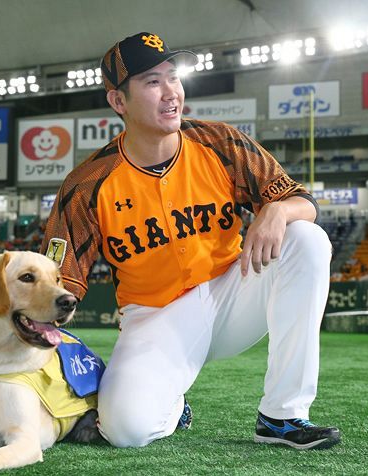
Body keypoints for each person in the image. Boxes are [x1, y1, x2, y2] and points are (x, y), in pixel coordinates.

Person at [41, 32, 340, 450]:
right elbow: (56, 282)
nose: (171, 93)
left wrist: (278, 210)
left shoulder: (218, 142)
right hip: (155, 317)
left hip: (235, 291)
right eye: (152, 82)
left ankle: (282, 415)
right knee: (126, 429)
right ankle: (170, 403)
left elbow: (302, 201)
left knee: (306, 239)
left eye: (174, 78)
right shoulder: (87, 184)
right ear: (118, 102)